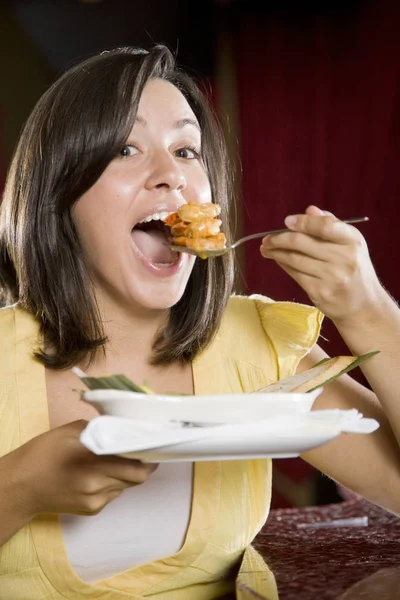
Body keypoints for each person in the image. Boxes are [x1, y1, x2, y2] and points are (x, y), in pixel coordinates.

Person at [0, 44, 399, 600]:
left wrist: (370, 312)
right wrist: (18, 487)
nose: (171, 176)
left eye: (187, 150)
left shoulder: (249, 346)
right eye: (125, 147)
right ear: (57, 193)